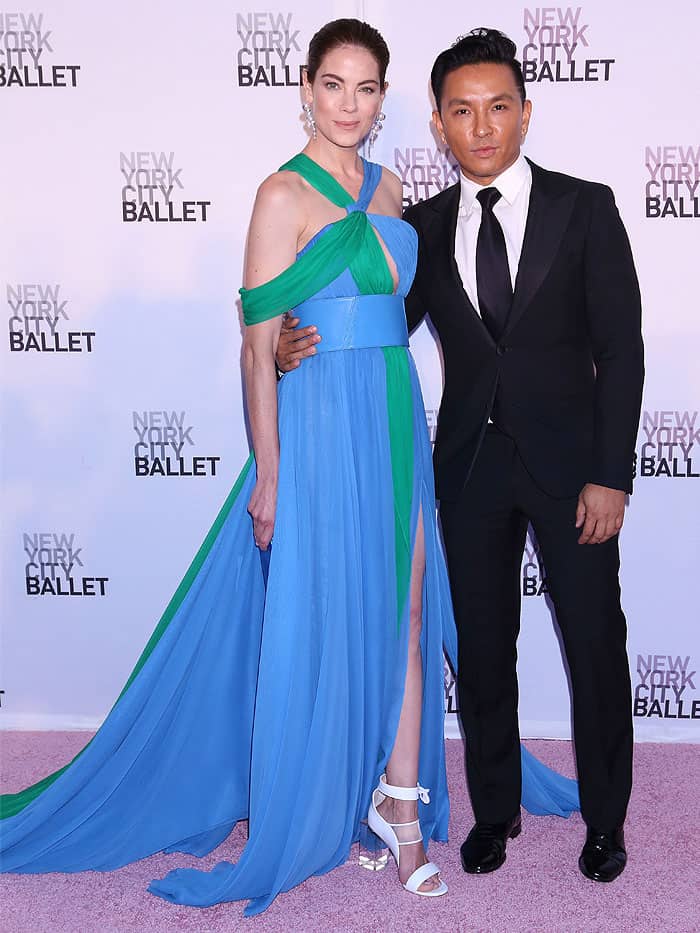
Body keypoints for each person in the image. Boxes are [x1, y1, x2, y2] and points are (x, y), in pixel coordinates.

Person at [0, 21, 577, 914]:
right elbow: (256, 343)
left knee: (410, 606)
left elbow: (409, 303)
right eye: (334, 85)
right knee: (325, 608)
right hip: (316, 425)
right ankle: (320, 798)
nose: (349, 104)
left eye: (367, 88)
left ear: (386, 100)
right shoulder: (280, 194)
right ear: (304, 88)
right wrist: (268, 471)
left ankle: (398, 805)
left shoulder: (393, 188)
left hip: (390, 410)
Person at [277, 28, 644, 884]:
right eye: (461, 111)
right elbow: (381, 328)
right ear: (439, 123)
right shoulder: (421, 225)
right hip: (468, 473)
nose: (481, 127)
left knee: (594, 645)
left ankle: (608, 821)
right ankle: (496, 812)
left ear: (524, 112)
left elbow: (620, 350)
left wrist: (611, 473)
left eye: (498, 108)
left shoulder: (585, 206)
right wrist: (300, 338)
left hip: (572, 474)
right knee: (481, 652)